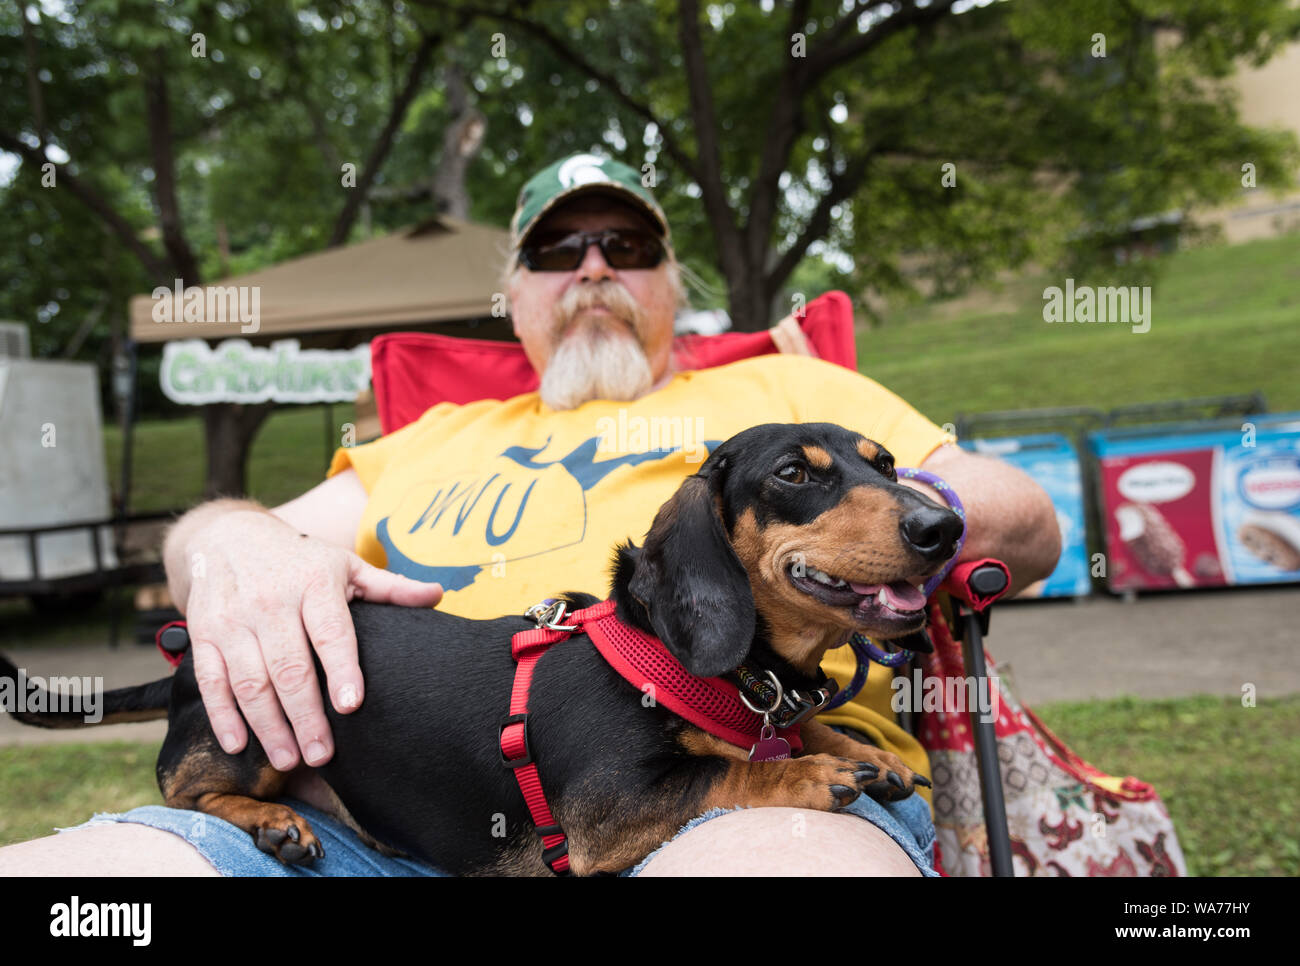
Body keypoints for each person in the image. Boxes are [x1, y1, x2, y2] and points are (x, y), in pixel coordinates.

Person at [0, 153, 1059, 876]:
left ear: (668, 283)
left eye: (625, 247)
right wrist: (230, 539)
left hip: (763, 797)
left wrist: (889, 532)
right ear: (514, 295)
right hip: (362, 832)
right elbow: (221, 542)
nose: (593, 267)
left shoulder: (789, 413)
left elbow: (1019, 517)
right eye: (560, 251)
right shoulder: (426, 437)